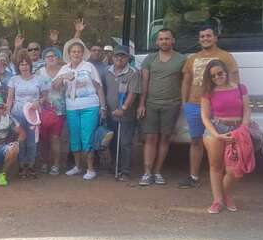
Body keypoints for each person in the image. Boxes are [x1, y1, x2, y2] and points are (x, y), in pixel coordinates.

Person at [179, 25, 240, 189]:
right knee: (196, 141)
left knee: (221, 143)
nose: (205, 39)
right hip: (193, 105)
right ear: (199, 40)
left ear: (215, 38)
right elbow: (186, 81)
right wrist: (185, 102)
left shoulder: (225, 57)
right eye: (202, 37)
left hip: (218, 108)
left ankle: (221, 177)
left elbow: (235, 80)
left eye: (208, 36)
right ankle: (194, 177)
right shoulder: (192, 58)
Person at [136, 29, 186, 186]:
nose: (164, 41)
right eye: (161, 39)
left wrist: (184, 102)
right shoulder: (149, 59)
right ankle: (147, 172)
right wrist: (141, 104)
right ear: (157, 42)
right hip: (151, 104)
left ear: (173, 41)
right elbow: (144, 83)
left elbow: (185, 83)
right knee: (150, 138)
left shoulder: (182, 59)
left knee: (165, 139)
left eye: (167, 38)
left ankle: (157, 172)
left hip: (172, 104)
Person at [201, 60, 251, 214]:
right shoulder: (209, 92)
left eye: (220, 73)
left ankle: (226, 194)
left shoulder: (241, 88)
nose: (217, 77)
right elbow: (205, 116)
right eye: (213, 75)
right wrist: (217, 134)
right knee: (216, 167)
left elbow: (247, 110)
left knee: (233, 170)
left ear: (226, 72)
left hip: (237, 130)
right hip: (216, 130)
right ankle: (218, 200)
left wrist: (243, 128)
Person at [54, 41, 107, 180]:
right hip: (72, 107)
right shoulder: (65, 68)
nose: (76, 54)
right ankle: (78, 166)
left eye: (79, 51)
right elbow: (55, 87)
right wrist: (62, 77)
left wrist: (102, 107)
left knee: (87, 137)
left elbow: (98, 87)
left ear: (83, 54)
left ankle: (90, 169)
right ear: (69, 54)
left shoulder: (89, 67)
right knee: (75, 138)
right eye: (73, 51)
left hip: (90, 106)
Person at [6, 50, 48, 178]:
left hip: (33, 115)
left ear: (30, 65)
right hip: (17, 113)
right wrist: (7, 113)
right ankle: (22, 166)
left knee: (32, 141)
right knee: (21, 140)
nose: (24, 66)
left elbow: (45, 96)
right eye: (21, 64)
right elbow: (9, 98)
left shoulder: (38, 79)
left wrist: (39, 102)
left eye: (26, 64)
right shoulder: (14, 79)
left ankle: (31, 165)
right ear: (18, 67)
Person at [102, 46, 142, 180]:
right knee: (113, 141)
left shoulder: (133, 73)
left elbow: (133, 93)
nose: (119, 58)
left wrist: (123, 108)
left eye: (123, 56)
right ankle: (115, 166)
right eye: (117, 56)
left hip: (126, 114)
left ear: (128, 58)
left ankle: (125, 171)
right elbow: (103, 90)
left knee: (125, 142)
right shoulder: (106, 71)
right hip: (110, 113)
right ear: (112, 57)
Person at [37, 47, 65, 175]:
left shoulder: (64, 70)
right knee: (43, 139)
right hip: (43, 111)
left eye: (54, 56)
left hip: (59, 110)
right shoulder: (39, 72)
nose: (51, 58)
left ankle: (56, 165)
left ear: (58, 58)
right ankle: (44, 163)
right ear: (44, 59)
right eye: (48, 56)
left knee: (55, 138)